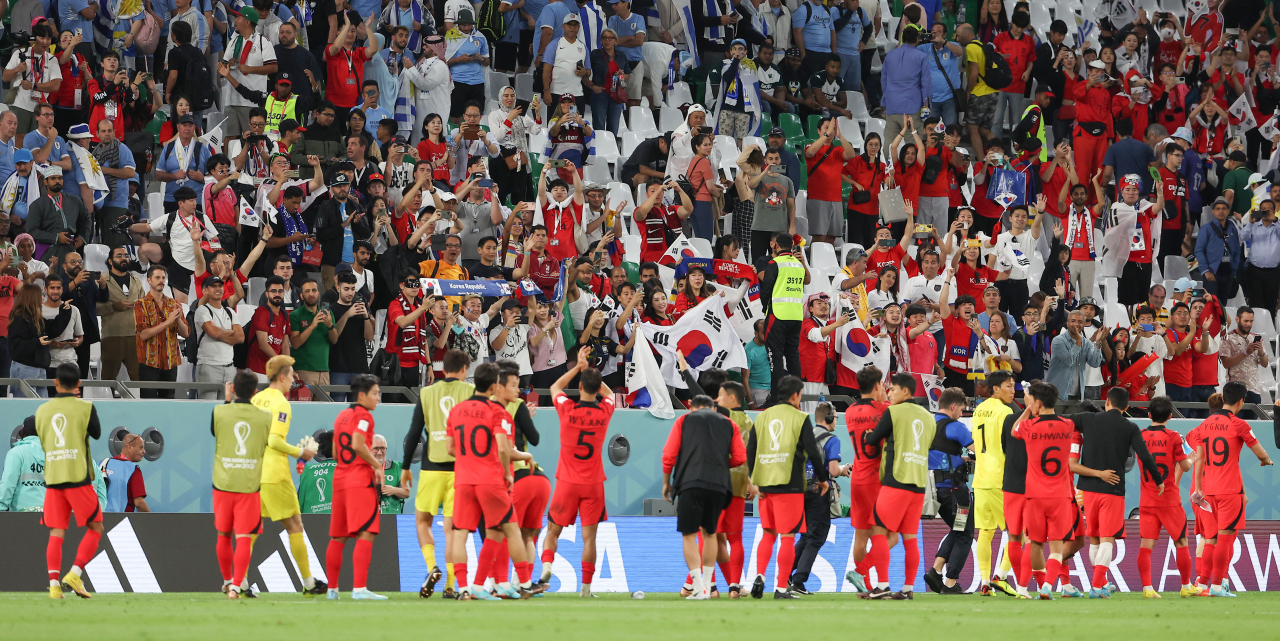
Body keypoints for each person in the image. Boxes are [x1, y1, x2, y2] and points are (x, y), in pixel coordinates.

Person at [446, 362, 543, 599]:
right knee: (510, 530)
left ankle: (466, 587)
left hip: (464, 480)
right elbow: (503, 448)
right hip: (490, 479)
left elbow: (450, 449)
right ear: (493, 387)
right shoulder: (497, 412)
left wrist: (469, 460)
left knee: (460, 534)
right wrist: (507, 473)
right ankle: (526, 583)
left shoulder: (456, 410)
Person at [1067, 387, 1163, 598]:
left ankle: (1100, 584)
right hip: (1113, 490)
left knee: (1094, 539)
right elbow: (1145, 457)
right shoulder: (1129, 427)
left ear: (1107, 402)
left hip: (1088, 490)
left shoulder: (1088, 419)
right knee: (1107, 539)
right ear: (1126, 408)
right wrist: (1158, 479)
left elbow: (1062, 421)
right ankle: (1097, 585)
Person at [540, 347, 615, 597]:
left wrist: (577, 367)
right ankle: (585, 588)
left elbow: (555, 388)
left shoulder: (567, 410)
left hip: (567, 482)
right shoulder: (605, 411)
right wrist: (590, 373)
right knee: (590, 538)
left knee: (553, 531)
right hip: (593, 483)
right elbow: (610, 393)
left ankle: (547, 566)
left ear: (580, 387)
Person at [251, 355, 327, 596]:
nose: (295, 377)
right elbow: (274, 440)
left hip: (253, 472)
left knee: (249, 529)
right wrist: (300, 452)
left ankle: (237, 581)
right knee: (295, 525)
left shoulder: (256, 399)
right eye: (292, 373)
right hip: (275, 473)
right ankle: (308, 582)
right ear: (282, 377)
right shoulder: (282, 403)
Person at [1191, 381, 1274, 597]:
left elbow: (1199, 459)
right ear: (1240, 402)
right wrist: (1266, 460)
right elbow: (1260, 451)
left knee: (1210, 539)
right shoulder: (1239, 424)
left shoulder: (1203, 425)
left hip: (1207, 490)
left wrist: (1199, 487)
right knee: (1225, 539)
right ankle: (1218, 586)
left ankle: (1201, 583)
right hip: (1230, 491)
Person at [401, 349, 472, 597]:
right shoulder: (471, 392)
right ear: (464, 370)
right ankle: (451, 585)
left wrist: (406, 466)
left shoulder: (427, 392)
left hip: (432, 467)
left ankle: (432, 567)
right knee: (452, 530)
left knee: (422, 522)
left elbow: (414, 432)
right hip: (460, 469)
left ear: (443, 369)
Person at [662, 393, 747, 600]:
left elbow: (669, 455)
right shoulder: (729, 424)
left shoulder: (684, 420)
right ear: (714, 408)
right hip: (719, 486)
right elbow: (740, 457)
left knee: (689, 536)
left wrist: (666, 483)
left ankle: (699, 587)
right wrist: (717, 465)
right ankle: (708, 586)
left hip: (690, 483)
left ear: (691, 406)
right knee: (711, 534)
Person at [858, 373, 935, 600]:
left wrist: (870, 435)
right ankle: (908, 588)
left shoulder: (893, 411)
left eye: (892, 389)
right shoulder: (929, 417)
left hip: (895, 481)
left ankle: (882, 585)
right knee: (910, 538)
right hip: (919, 484)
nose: (889, 393)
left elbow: (872, 441)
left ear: (906, 392)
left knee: (879, 532)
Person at [37, 363, 102, 599]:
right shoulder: (86, 407)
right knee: (96, 527)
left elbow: (45, 441)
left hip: (54, 478)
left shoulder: (42, 410)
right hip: (77, 477)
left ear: (55, 383)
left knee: (56, 531)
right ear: (79, 385)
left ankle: (54, 586)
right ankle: (74, 573)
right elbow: (96, 433)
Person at [322, 374, 388, 600]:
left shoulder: (341, 415)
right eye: (375, 393)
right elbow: (358, 444)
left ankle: (332, 590)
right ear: (362, 395)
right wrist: (376, 465)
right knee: (367, 532)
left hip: (339, 478)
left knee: (337, 537)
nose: (378, 398)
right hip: (359, 481)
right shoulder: (364, 417)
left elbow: (334, 453)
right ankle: (359, 589)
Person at [1009, 381, 1074, 600]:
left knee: (1034, 543)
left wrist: (1028, 410)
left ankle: (1023, 588)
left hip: (1035, 495)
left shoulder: (1029, 426)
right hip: (1060, 495)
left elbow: (1014, 430)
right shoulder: (1068, 425)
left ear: (1037, 403)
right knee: (1056, 547)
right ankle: (1047, 586)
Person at [211, 371, 272, 598]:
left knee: (224, 535)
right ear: (256, 392)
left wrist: (227, 400)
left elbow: (216, 432)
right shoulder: (265, 417)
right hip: (249, 485)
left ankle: (227, 581)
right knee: (244, 537)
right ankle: (237, 585)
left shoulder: (219, 411)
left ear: (233, 389)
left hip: (223, 483)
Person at [1135, 396, 1198, 598]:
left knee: (1146, 545)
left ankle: (1147, 588)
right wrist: (1191, 457)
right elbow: (1186, 467)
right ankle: (1186, 586)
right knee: (1181, 542)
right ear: (1170, 416)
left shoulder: (1140, 436)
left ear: (1149, 415)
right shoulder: (1173, 437)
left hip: (1146, 499)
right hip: (1169, 499)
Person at [788, 401, 844, 595]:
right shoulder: (832, 439)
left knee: (805, 535)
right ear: (829, 418)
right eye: (835, 417)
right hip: (818, 491)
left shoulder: (804, 435)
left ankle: (786, 576)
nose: (836, 420)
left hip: (798, 490)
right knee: (816, 537)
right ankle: (799, 580)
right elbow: (833, 470)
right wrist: (843, 471)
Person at [970, 370, 1017, 596]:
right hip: (999, 479)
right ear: (996, 388)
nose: (1013, 390)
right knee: (1020, 532)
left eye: (1013, 386)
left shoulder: (979, 409)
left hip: (980, 479)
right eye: (1008, 386)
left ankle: (985, 582)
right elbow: (1010, 446)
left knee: (986, 532)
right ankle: (1001, 575)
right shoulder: (1005, 412)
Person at [925, 387, 974, 594]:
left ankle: (936, 570)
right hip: (956, 493)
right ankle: (950, 582)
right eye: (961, 409)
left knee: (957, 528)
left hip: (935, 490)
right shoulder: (956, 427)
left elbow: (939, 452)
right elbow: (979, 452)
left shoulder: (928, 424)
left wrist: (958, 460)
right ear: (953, 406)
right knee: (965, 533)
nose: (961, 414)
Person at [760, 233, 812, 393]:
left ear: (775, 245)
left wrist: (765, 308)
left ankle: (776, 398)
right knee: (792, 356)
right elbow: (806, 281)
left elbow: (766, 290)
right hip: (796, 316)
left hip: (777, 315)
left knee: (775, 357)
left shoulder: (775, 263)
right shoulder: (798, 264)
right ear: (791, 246)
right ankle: (795, 395)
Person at [133, 266, 190, 398]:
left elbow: (186, 333)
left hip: (170, 362)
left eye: (163, 278)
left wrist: (178, 319)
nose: (161, 281)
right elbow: (143, 334)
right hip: (149, 362)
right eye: (157, 277)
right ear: (149, 280)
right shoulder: (140, 304)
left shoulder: (173, 303)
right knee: (149, 404)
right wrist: (168, 322)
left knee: (168, 403)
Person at [805, 117, 857, 246]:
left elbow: (851, 155)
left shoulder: (837, 150)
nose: (830, 131)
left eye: (832, 128)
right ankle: (813, 263)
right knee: (819, 236)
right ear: (818, 130)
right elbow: (810, 153)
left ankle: (828, 264)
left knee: (831, 237)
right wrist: (826, 134)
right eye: (826, 128)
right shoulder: (811, 146)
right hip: (818, 198)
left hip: (836, 199)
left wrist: (839, 135)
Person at [25, 165, 90, 269]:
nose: (57, 181)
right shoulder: (37, 205)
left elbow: (86, 218)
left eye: (60, 178)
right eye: (53, 178)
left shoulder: (74, 200)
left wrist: (82, 237)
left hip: (71, 249)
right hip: (49, 250)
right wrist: (56, 237)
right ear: (45, 182)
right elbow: (31, 231)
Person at [880, 25, 931, 147]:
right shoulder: (921, 57)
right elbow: (926, 84)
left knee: (890, 142)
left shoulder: (890, 55)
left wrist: (887, 98)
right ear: (917, 39)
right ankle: (911, 167)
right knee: (913, 143)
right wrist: (926, 106)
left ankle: (887, 165)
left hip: (892, 105)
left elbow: (884, 81)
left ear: (902, 38)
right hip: (912, 107)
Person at [327, 272, 376, 397]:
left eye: (353, 289)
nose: (350, 293)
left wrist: (366, 317)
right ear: (338, 288)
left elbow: (369, 337)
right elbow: (334, 336)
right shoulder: (331, 309)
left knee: (358, 409)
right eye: (346, 289)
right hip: (338, 367)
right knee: (336, 408)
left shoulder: (360, 307)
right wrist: (347, 314)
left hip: (360, 367)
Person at [289, 279, 338, 386]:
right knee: (303, 402)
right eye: (307, 291)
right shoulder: (295, 315)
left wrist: (330, 325)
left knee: (325, 403)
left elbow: (334, 340)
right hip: (303, 370)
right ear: (301, 296)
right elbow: (295, 344)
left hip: (324, 370)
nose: (311, 294)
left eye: (314, 290)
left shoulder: (328, 314)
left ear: (318, 293)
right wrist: (312, 326)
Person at [1047, 310, 1105, 401]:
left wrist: (1097, 343)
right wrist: (1078, 341)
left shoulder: (1086, 343)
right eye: (1073, 321)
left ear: (1084, 324)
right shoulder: (1058, 341)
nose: (1076, 324)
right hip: (1057, 394)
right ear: (1067, 323)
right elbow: (1069, 361)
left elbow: (1095, 363)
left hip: (1076, 395)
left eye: (1080, 322)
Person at [1195, 197, 1244, 301]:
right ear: (1213, 211)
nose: (1220, 211)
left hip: (1228, 273)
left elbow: (1236, 249)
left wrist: (1233, 269)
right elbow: (1199, 250)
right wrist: (1205, 270)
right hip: (1212, 272)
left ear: (1228, 211)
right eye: (1217, 209)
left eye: (1223, 208)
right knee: (1210, 304)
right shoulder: (1206, 228)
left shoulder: (1232, 228)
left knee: (1223, 305)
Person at [1221, 307, 1270, 410]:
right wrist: (1246, 353)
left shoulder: (1257, 338)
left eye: (1251, 321)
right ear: (1237, 319)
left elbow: (1265, 364)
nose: (1248, 324)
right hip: (1235, 390)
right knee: (1236, 423)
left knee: (1252, 424)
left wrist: (1261, 352)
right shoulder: (1227, 338)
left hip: (1254, 389)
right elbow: (1226, 363)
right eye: (1246, 321)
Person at [1240, 199, 1280, 314]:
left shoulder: (1278, 225)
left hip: (1273, 272)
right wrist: (1251, 222)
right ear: (1260, 211)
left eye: (1269, 209)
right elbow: (1242, 237)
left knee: (1271, 303)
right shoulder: (1254, 225)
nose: (1267, 211)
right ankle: (1255, 329)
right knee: (1255, 303)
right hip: (1255, 271)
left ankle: (1270, 330)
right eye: (1264, 209)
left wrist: (1276, 221)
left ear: (1274, 211)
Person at [0, 417, 44, 512]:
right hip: (50, 514)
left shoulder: (16, 453)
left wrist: (1, 508)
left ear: (22, 431)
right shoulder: (53, 455)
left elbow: (7, 484)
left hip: (22, 515)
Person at [101, 432, 149, 513]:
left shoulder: (102, 464)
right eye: (141, 448)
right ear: (129, 447)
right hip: (121, 522)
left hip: (98, 519)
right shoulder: (133, 470)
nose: (144, 451)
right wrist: (153, 520)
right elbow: (139, 503)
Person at [373, 434, 411, 515]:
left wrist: (394, 490)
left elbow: (407, 492)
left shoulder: (398, 467)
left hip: (391, 517)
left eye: (382, 448)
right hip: (367, 518)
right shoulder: (360, 469)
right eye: (376, 448)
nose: (379, 452)